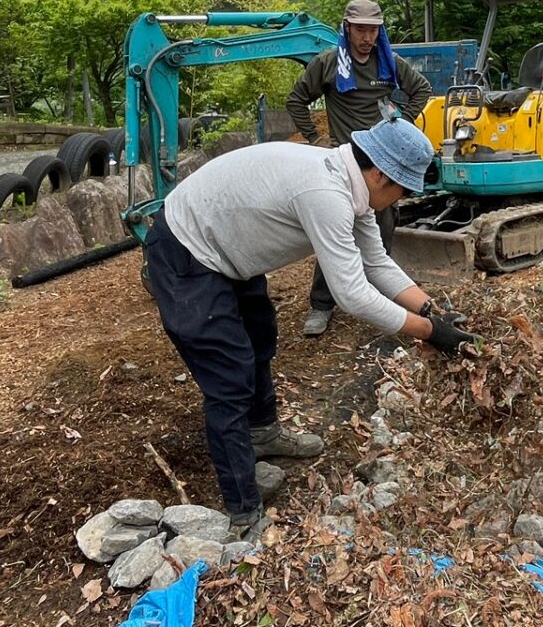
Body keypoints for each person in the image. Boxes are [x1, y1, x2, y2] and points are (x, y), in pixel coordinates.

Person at [141, 118, 474, 539]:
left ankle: (262, 434)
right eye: (403, 189)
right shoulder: (326, 194)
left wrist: (431, 309)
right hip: (188, 251)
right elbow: (351, 294)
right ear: (380, 174)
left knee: (259, 340)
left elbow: (376, 264)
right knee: (229, 376)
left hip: (229, 250)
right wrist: (429, 333)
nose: (402, 198)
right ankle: (243, 509)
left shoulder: (354, 188)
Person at [286, 0, 432, 336]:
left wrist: (399, 123)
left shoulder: (388, 64)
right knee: (336, 232)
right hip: (344, 160)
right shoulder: (329, 64)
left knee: (383, 232)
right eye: (360, 29)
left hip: (383, 164)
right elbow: (296, 100)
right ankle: (322, 305)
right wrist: (314, 137)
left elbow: (421, 89)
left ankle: (383, 301)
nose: (366, 37)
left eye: (373, 30)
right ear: (347, 28)